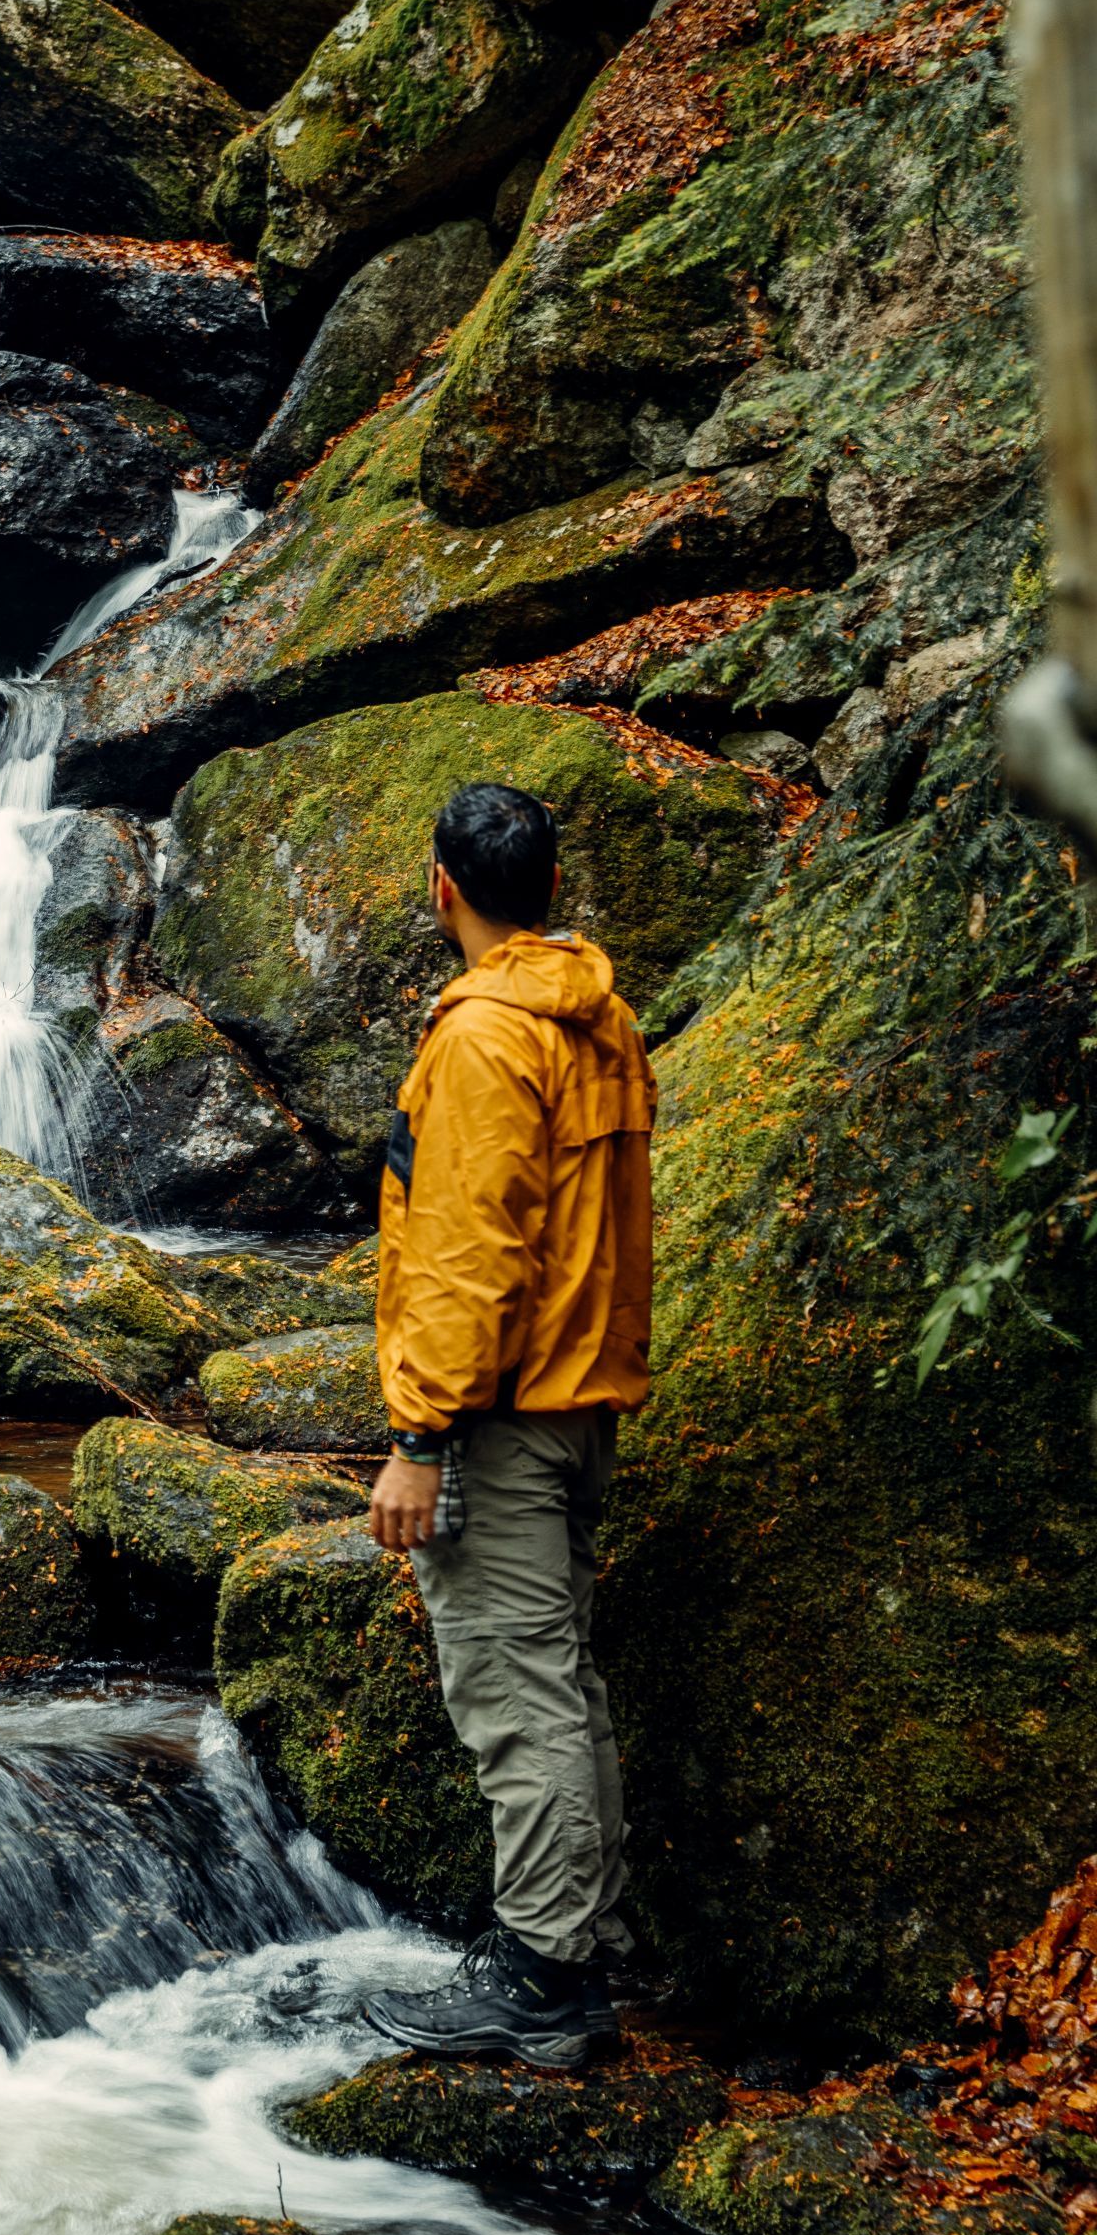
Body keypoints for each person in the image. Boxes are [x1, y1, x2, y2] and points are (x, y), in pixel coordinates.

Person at [358, 780, 656, 2073]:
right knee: (563, 1680)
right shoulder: (598, 1015)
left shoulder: (486, 1039)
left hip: (502, 1416)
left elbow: (473, 1253)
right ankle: (572, 1938)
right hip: (578, 1398)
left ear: (444, 890)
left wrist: (420, 1438)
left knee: (516, 1695)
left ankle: (544, 1982)